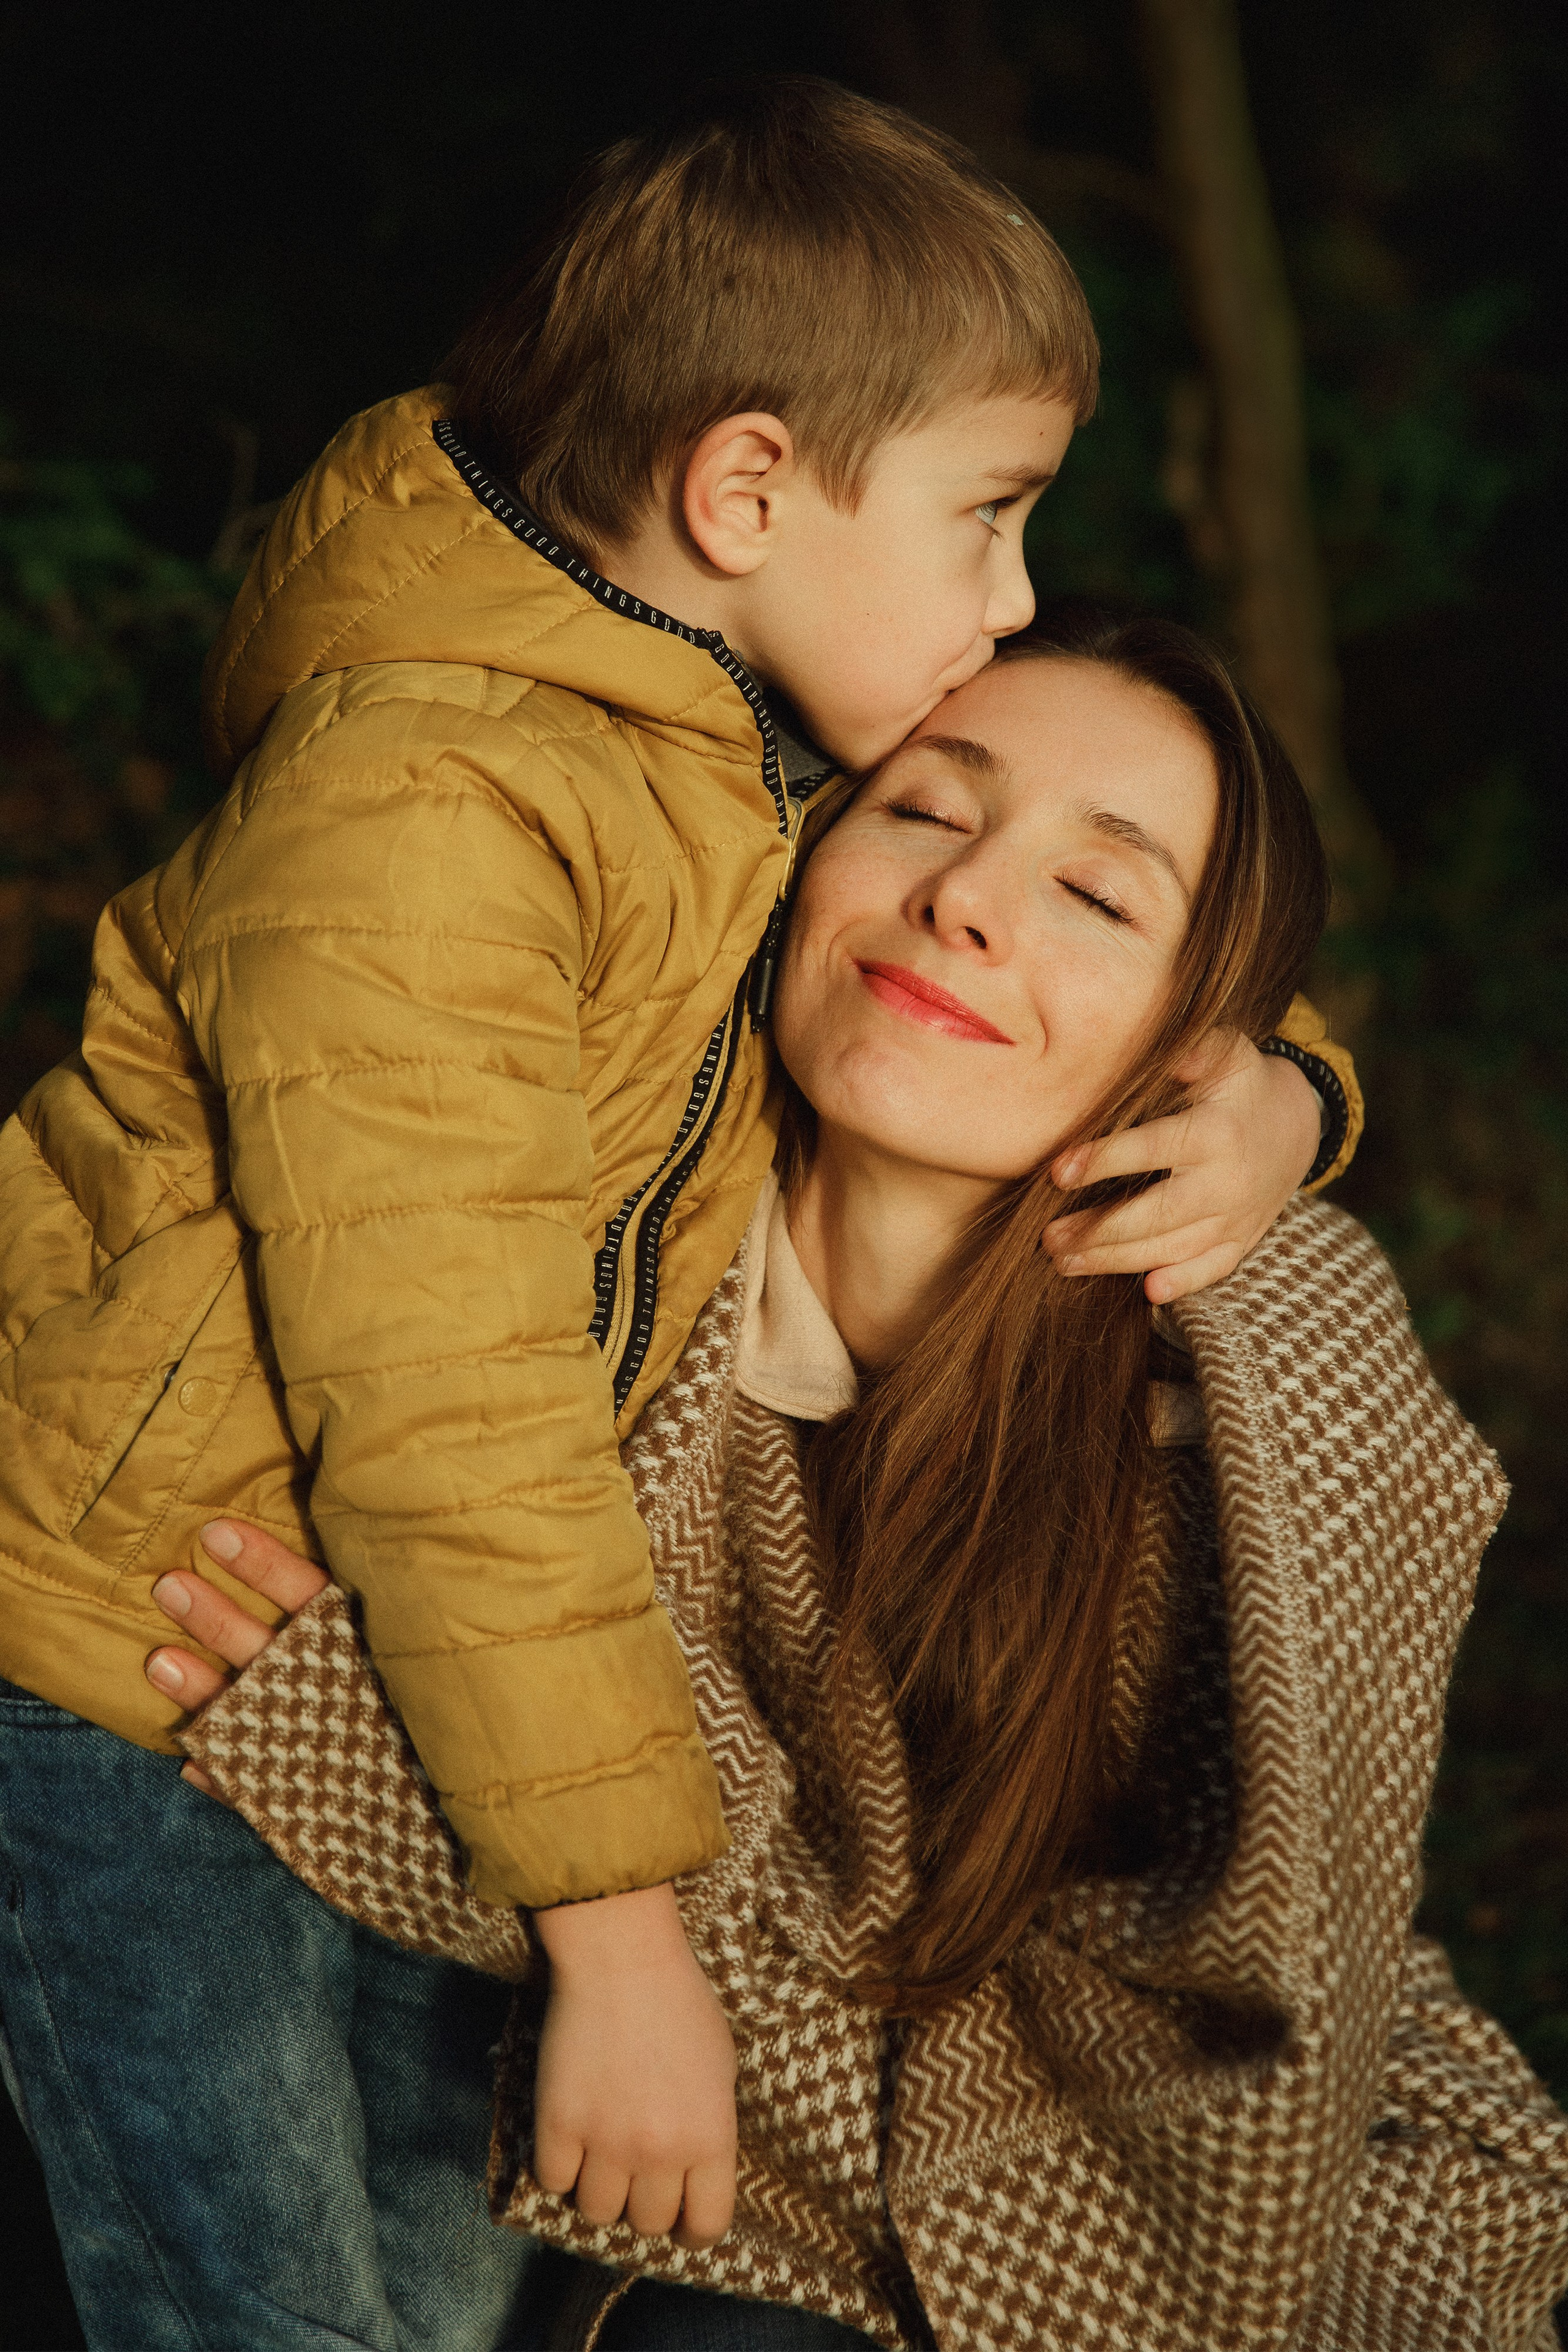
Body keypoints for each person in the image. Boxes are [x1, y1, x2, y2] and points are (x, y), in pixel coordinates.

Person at [0, 81, 1355, 2346]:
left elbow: (1112, 911)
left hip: (427, 1702)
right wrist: (621, 1938)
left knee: (431, 2317)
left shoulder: (702, 753)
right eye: (988, 520)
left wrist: (1287, 1093)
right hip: (135, 1668)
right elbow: (451, 1398)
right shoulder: (424, 817)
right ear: (746, 490)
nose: (1013, 601)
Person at [149, 616, 1568, 2351]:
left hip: (1165, 2160)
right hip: (695, 2157)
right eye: (922, 811)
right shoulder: (584, 1254)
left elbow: (1192, 2034)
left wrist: (434, 1803)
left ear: (1204, 1044)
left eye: (1099, 896)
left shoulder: (1272, 1400)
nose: (970, 900)